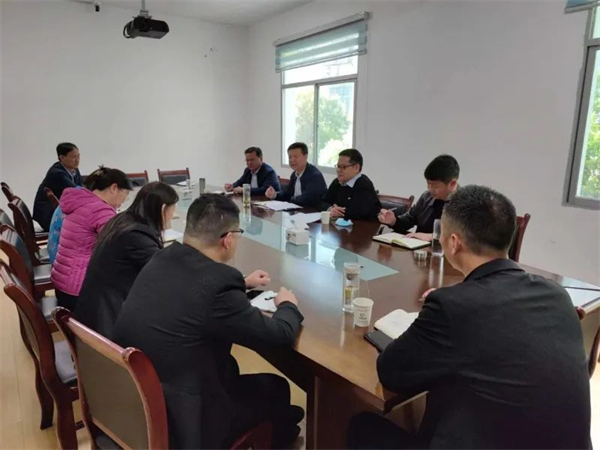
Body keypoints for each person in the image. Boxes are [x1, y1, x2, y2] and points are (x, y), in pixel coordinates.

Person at [348, 185, 591, 449]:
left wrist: (450, 304)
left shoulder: (453, 306)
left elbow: (390, 372)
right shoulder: (556, 294)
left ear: (454, 243)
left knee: (362, 425)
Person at [112, 194, 305, 449]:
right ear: (227, 239)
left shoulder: (162, 257)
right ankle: (284, 427)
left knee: (276, 404)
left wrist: (242, 284)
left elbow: (192, 291)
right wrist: (288, 305)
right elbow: (280, 336)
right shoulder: (219, 285)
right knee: (276, 387)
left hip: (136, 398)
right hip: (185, 418)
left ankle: (286, 421)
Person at [76, 182, 179, 339]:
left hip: (94, 311)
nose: (173, 215)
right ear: (163, 209)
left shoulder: (123, 220)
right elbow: (164, 276)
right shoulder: (136, 235)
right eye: (172, 210)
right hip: (107, 323)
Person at [51, 167, 133, 311]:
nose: (122, 203)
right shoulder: (100, 210)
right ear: (114, 188)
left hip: (63, 283)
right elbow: (120, 244)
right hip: (79, 289)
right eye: (125, 195)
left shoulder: (81, 201)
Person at [378, 155, 459, 241]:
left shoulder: (464, 204)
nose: (430, 189)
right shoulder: (427, 197)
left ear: (452, 184)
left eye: (435, 186)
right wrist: (393, 221)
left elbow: (462, 238)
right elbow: (409, 219)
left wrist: (431, 236)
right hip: (417, 248)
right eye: (428, 184)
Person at [33, 142, 83, 231]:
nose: (77, 160)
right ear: (62, 158)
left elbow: (81, 187)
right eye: (73, 157)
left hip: (59, 212)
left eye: (78, 156)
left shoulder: (74, 170)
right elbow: (76, 191)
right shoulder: (57, 173)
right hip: (49, 216)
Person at [319, 149, 381, 220]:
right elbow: (322, 202)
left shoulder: (364, 185)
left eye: (343, 167)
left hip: (362, 225)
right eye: (338, 166)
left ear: (356, 168)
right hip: (339, 225)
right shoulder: (337, 182)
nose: (338, 170)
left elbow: (360, 212)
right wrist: (330, 208)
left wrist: (338, 211)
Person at [265, 142, 327, 207]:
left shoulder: (314, 176)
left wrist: (290, 199)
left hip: (312, 211)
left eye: (296, 156)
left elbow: (306, 200)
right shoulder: (294, 175)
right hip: (297, 210)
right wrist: (274, 195)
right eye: (290, 157)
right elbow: (287, 195)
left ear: (305, 157)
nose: (292, 160)